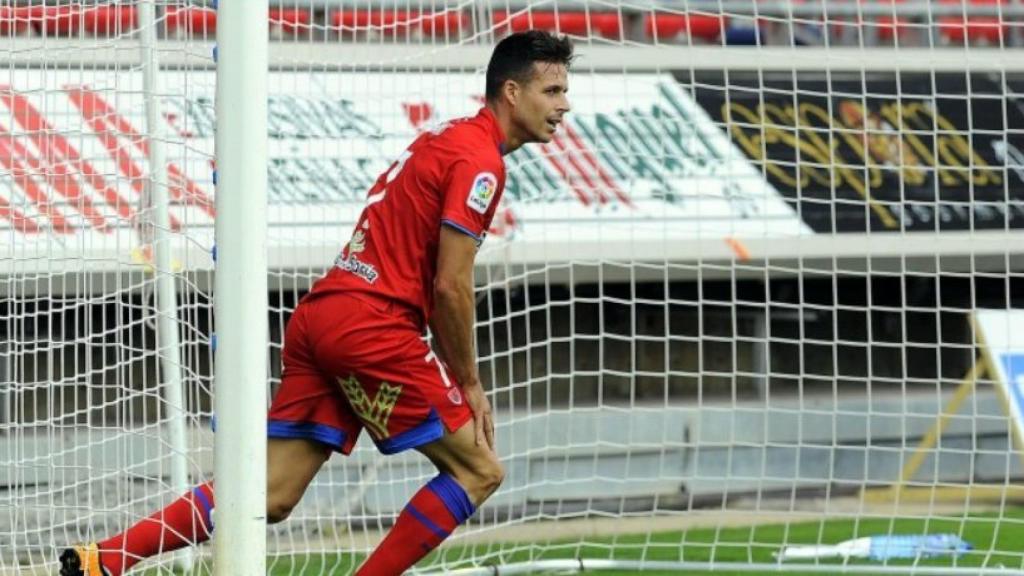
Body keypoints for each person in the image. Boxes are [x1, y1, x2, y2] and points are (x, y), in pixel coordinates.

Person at [59, 30, 573, 576]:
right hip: (374, 324)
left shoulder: (445, 139)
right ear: (512, 92)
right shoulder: (481, 162)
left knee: (270, 492)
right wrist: (468, 380)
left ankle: (102, 561)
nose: (564, 106)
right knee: (479, 470)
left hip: (324, 314)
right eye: (553, 90)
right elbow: (451, 285)